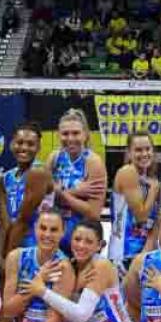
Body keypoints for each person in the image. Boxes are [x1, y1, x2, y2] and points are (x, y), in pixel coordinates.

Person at [0, 122, 54, 274]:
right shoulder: (4, 178)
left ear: (38, 148)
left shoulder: (39, 172)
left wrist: (8, 256)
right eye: (19, 142)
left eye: (30, 144)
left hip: (34, 247)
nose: (24, 148)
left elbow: (23, 220)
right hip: (10, 244)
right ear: (11, 144)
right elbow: (3, 222)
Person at [47, 108, 107, 254]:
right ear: (58, 135)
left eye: (75, 133)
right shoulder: (54, 158)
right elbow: (44, 198)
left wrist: (61, 193)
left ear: (85, 134)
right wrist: (75, 192)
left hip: (83, 241)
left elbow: (93, 213)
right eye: (65, 133)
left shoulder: (93, 162)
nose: (70, 138)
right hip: (55, 239)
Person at [109, 132, 161, 271]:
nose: (144, 154)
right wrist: (153, 191)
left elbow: (156, 222)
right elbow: (141, 217)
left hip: (145, 252)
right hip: (123, 253)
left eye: (147, 149)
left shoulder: (152, 179)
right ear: (129, 153)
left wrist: (146, 251)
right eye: (138, 150)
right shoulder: (127, 172)